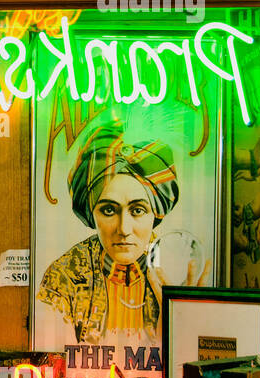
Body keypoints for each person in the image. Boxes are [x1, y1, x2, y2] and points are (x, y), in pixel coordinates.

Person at [37, 123, 204, 346]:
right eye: (108, 210)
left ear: (156, 213)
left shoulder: (180, 271)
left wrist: (179, 317)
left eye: (137, 210)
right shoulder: (64, 276)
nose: (124, 229)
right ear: (91, 213)